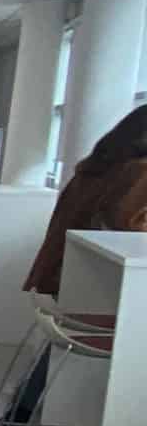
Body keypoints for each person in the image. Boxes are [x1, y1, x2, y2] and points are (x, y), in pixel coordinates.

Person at [24, 102, 147, 295]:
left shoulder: (95, 168)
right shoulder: (139, 171)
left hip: (60, 273)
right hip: (93, 285)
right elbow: (131, 227)